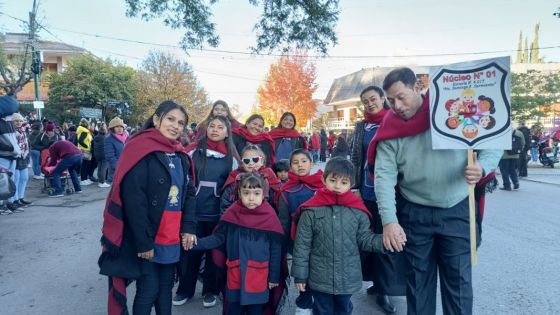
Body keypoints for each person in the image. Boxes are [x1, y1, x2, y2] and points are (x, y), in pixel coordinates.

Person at [369, 67, 502, 315]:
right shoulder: (390, 128)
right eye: (390, 100)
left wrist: (483, 166)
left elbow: (492, 139)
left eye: (401, 97)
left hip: (457, 208)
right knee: (418, 286)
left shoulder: (452, 109)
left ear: (418, 87)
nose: (396, 105)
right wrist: (389, 221)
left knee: (459, 285)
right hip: (414, 212)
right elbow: (383, 176)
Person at [98, 101, 197, 315]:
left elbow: (189, 194)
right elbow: (134, 200)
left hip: (171, 236)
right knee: (148, 289)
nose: (175, 126)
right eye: (170, 119)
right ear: (156, 119)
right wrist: (143, 243)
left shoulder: (181, 155)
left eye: (181, 123)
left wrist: (188, 227)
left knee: (165, 289)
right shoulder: (140, 149)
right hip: (147, 237)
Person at [291, 157, 385, 315]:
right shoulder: (311, 211)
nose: (337, 186)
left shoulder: (358, 212)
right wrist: (300, 276)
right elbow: (302, 246)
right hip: (319, 278)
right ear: (324, 179)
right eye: (333, 180)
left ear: (352, 184)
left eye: (344, 182)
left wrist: (385, 242)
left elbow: (364, 239)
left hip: (347, 278)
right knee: (323, 310)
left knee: (344, 309)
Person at [187, 172, 283, 315]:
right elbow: (218, 238)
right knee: (233, 308)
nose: (251, 198)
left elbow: (276, 250)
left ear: (264, 194)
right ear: (239, 193)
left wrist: (274, 276)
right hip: (235, 273)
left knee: (255, 310)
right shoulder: (232, 213)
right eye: (246, 193)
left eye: (256, 193)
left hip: (259, 276)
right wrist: (194, 243)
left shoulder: (270, 216)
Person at [350, 86, 404, 314]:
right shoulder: (362, 126)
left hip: (390, 192)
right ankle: (374, 282)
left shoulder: (395, 121)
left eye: (373, 99)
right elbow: (354, 156)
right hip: (365, 191)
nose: (370, 103)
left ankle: (385, 289)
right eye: (365, 101)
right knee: (366, 239)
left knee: (386, 239)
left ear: (383, 99)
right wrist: (353, 186)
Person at [175, 115, 237, 308]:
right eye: (212, 126)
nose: (216, 129)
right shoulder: (193, 151)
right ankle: (185, 289)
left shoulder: (232, 158)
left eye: (220, 127)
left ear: (227, 133)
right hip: (193, 212)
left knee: (213, 254)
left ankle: (210, 290)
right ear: (206, 128)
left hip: (217, 214)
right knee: (189, 251)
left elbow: (234, 187)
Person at [276, 149, 324, 314]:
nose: (300, 165)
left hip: (322, 240)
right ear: (290, 167)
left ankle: (320, 303)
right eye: (295, 162)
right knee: (302, 273)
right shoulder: (286, 191)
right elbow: (283, 222)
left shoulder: (323, 185)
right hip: (297, 242)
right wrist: (283, 247)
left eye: (304, 161)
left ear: (311, 163)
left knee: (320, 272)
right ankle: (303, 302)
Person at [220, 144, 280, 214]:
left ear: (262, 161)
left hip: (262, 218)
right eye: (246, 161)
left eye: (255, 159)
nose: (251, 163)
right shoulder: (236, 178)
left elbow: (274, 202)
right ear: (242, 163)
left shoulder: (269, 176)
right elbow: (226, 202)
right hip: (238, 217)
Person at [0, 96, 22, 213]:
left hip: (11, 155)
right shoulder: (4, 123)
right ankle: (2, 205)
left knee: (9, 181)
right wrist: (11, 148)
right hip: (3, 156)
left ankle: (7, 203)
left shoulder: (7, 122)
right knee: (2, 182)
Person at [12, 113, 32, 207]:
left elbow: (27, 145)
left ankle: (20, 198)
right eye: (16, 121)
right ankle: (15, 200)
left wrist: (27, 157)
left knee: (24, 178)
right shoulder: (11, 131)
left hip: (23, 157)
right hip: (15, 157)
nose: (18, 123)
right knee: (16, 179)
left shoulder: (23, 131)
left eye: (20, 121)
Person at [105, 117, 127, 183]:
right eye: (117, 126)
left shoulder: (126, 137)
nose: (120, 128)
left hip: (126, 167)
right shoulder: (109, 139)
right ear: (112, 128)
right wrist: (118, 167)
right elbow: (110, 156)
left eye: (121, 126)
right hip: (116, 171)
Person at [76, 118, 94, 185]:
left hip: (86, 150)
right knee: (84, 165)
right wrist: (86, 146)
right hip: (84, 150)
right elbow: (80, 140)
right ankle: (83, 179)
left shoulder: (84, 131)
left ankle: (85, 178)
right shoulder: (84, 131)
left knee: (86, 165)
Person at [93, 123, 110, 188]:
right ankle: (102, 182)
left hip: (97, 154)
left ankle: (100, 181)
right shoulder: (105, 138)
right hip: (104, 155)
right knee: (103, 169)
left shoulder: (96, 137)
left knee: (99, 168)